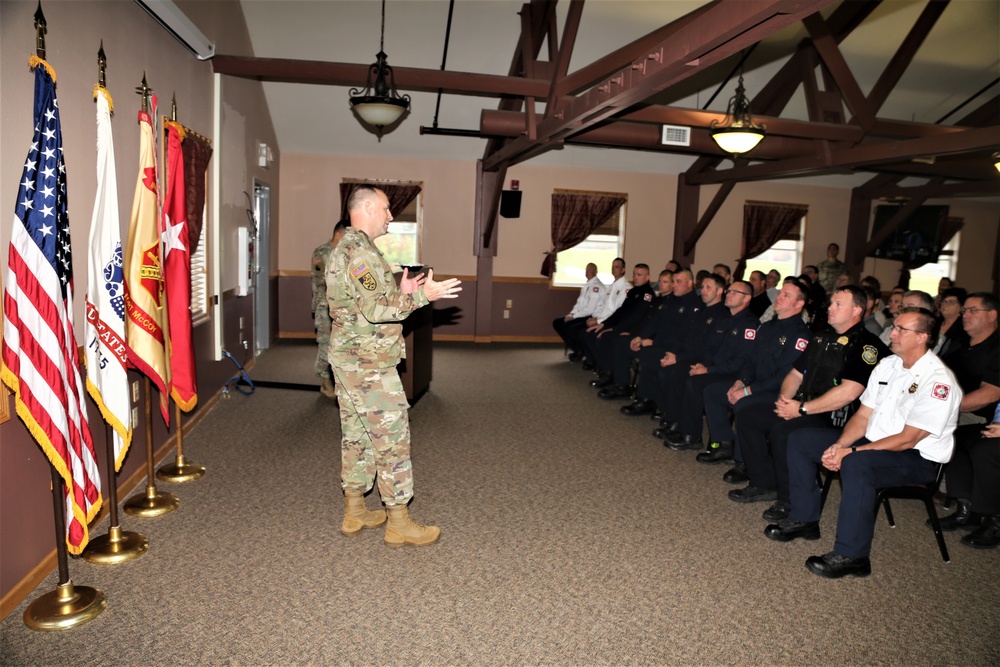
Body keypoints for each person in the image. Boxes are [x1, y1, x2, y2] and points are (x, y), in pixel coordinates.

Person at [767, 308, 962, 579]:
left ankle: (853, 555)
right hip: (873, 441)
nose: (892, 333)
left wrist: (852, 451)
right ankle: (805, 519)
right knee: (801, 439)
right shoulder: (888, 365)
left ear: (922, 337)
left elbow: (909, 438)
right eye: (893, 326)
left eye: (901, 329)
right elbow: (863, 415)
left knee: (857, 463)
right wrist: (842, 444)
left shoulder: (938, 381)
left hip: (916, 458)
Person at [328, 185, 461, 548]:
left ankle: (355, 510)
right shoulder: (358, 252)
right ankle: (399, 522)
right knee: (392, 441)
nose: (391, 215)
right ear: (368, 207)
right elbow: (375, 311)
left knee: (357, 436)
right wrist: (422, 297)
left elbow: (368, 301)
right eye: (386, 209)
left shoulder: (353, 248)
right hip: (367, 364)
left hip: (352, 359)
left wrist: (401, 291)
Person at [730, 286, 890, 519]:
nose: (830, 308)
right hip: (806, 406)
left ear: (857, 310)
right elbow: (795, 375)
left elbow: (848, 393)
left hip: (838, 418)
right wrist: (785, 400)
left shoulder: (867, 346)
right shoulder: (822, 336)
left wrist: (802, 410)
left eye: (838, 304)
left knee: (784, 432)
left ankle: (789, 500)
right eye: (831, 303)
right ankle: (764, 481)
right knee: (748, 412)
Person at [692, 280, 811, 480]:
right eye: (780, 293)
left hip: (780, 392)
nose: (779, 297)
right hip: (755, 385)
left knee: (743, 404)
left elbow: (784, 376)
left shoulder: (800, 335)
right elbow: (751, 361)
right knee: (713, 392)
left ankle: (744, 462)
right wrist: (740, 382)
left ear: (799, 304)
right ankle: (723, 445)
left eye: (786, 296)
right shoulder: (766, 327)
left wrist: (747, 391)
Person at [662, 281, 759, 451]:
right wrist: (702, 365)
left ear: (747, 298)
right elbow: (711, 349)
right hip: (718, 368)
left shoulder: (749, 325)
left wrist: (708, 370)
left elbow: (740, 362)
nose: (728, 294)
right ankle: (679, 423)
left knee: (696, 384)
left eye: (735, 292)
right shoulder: (725, 319)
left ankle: (692, 436)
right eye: (729, 291)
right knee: (685, 373)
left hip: (736, 375)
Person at [312, 219, 350, 398]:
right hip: (324, 307)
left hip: (342, 307)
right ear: (338, 234)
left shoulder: (344, 254)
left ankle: (338, 378)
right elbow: (322, 280)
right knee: (326, 343)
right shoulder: (322, 252)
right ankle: (324, 379)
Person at [553, 262, 606, 358]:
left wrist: (574, 316)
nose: (588, 271)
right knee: (557, 322)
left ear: (596, 272)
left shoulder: (596, 287)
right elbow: (579, 304)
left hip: (591, 317)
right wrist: (572, 313)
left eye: (590, 269)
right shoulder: (587, 285)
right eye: (586, 269)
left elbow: (590, 310)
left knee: (568, 327)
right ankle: (576, 348)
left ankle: (580, 351)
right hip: (581, 314)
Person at [933, 287, 968, 357]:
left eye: (952, 302)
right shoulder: (934, 322)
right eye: (943, 301)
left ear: (962, 307)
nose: (945, 305)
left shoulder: (964, 328)